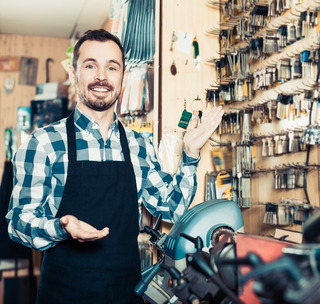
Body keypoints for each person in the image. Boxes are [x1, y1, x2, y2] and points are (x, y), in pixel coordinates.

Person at [6, 29, 224, 304]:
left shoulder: (139, 145)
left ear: (122, 77)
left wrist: (191, 154)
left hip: (125, 293)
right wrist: (60, 227)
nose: (101, 76)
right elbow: (18, 222)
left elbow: (171, 208)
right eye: (90, 65)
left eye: (112, 67)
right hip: (63, 295)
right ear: (74, 75)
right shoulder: (44, 143)